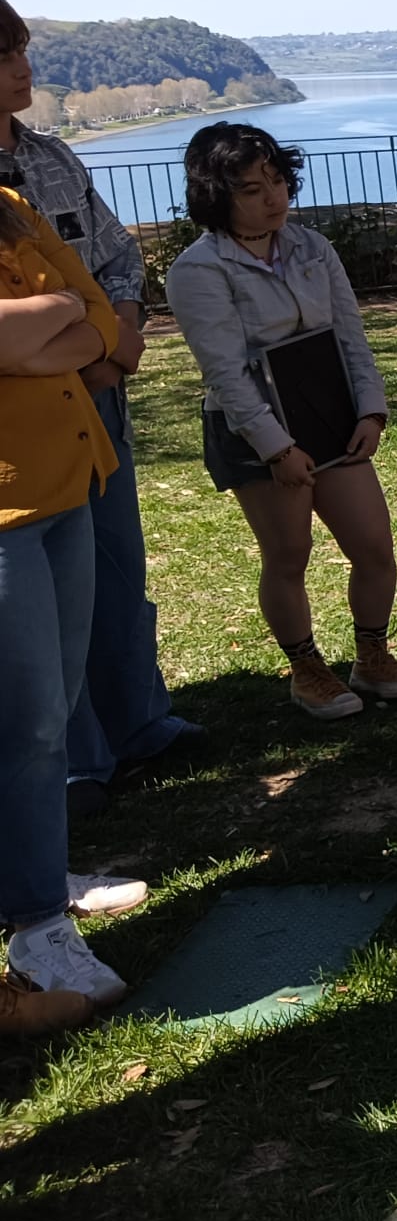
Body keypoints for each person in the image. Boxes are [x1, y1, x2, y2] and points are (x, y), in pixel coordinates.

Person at [0, 0, 200, 821]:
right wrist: (89, 338)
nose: (24, 66)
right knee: (36, 608)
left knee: (113, 568)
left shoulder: (51, 159)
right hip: (23, 428)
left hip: (97, 398)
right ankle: (75, 766)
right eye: (5, 55)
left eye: (21, 48)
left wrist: (117, 343)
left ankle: (139, 721)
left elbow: (115, 260)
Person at [163, 125, 397, 719]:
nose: (273, 198)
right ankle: (307, 671)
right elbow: (226, 373)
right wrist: (276, 449)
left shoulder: (312, 247)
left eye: (277, 181)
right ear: (217, 195)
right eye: (252, 189)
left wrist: (371, 409)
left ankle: (373, 657)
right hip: (254, 432)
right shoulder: (198, 270)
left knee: (373, 545)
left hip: (330, 417)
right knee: (289, 554)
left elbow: (350, 336)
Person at [0, 182, 149, 1013]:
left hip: (66, 485)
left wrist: (43, 332)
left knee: (46, 717)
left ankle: (37, 884)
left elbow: (102, 317)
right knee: (24, 721)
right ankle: (35, 924)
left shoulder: (12, 202)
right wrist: (58, 320)